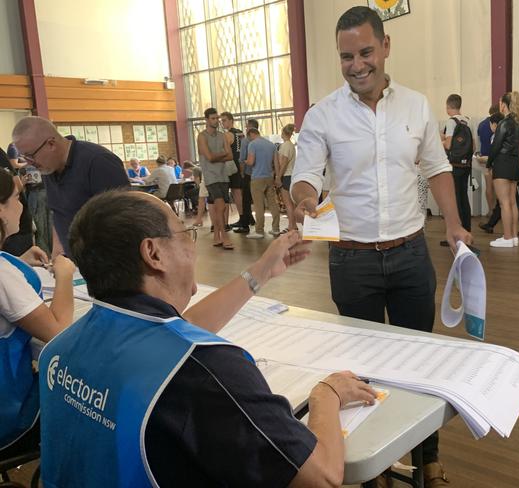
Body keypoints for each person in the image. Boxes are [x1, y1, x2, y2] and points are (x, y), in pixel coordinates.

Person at [38, 188, 376, 487]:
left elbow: (174, 332)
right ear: (153, 254)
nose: (191, 243)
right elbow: (321, 477)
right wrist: (327, 394)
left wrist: (261, 272)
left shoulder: (63, 346)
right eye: (184, 233)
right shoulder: (203, 370)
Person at [290, 7, 471, 486]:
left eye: (366, 52)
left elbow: (436, 168)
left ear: (385, 47)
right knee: (361, 373)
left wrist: (453, 224)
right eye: (346, 56)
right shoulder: (322, 115)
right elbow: (305, 174)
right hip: (352, 260)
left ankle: (427, 459)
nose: (356, 64)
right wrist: (306, 196)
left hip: (411, 254)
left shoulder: (415, 105)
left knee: (419, 363)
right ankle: (375, 469)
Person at [0, 168, 74, 460]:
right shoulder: (4, 276)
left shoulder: (6, 269)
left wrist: (17, 261)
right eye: (16, 197)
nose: (22, 205)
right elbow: (58, 331)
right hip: (10, 416)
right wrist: (65, 274)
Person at [11, 116, 129, 257]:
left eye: (31, 156)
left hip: (106, 261)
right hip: (75, 262)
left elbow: (125, 221)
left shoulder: (98, 162)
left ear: (51, 144)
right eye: (24, 157)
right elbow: (58, 211)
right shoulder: (48, 166)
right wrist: (57, 250)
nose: (30, 163)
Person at [487, 91, 519, 248]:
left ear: (504, 104)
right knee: (512, 202)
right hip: (514, 163)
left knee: (504, 203)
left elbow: (496, 146)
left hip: (502, 163)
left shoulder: (504, 123)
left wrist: (489, 163)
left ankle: (507, 237)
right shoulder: (518, 123)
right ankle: (514, 236)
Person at [197, 108, 234, 249]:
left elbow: (230, 156)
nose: (216, 121)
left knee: (221, 208)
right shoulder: (202, 136)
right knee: (221, 206)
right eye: (213, 118)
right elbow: (209, 157)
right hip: (210, 176)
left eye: (217, 118)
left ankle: (216, 236)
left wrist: (217, 155)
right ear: (206, 120)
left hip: (223, 175)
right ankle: (224, 237)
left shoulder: (222, 136)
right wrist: (221, 154)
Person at [441, 93, 473, 238]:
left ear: (448, 106)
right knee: (463, 197)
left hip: (454, 164)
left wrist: (438, 143)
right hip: (466, 164)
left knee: (454, 199)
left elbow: (448, 144)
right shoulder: (467, 121)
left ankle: (457, 233)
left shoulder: (451, 122)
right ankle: (467, 230)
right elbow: (473, 144)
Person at [244, 127, 281, 239]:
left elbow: (251, 162)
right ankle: (276, 229)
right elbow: (276, 163)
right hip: (269, 177)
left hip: (257, 178)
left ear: (251, 134)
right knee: (272, 203)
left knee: (259, 205)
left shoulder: (253, 144)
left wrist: (244, 161)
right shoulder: (271, 145)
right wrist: (277, 177)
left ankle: (259, 231)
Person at [220, 111, 245, 229]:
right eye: (221, 120)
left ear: (231, 120)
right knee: (240, 194)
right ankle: (244, 217)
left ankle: (241, 218)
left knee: (236, 194)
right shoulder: (240, 133)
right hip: (241, 165)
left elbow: (223, 151)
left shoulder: (227, 135)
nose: (222, 123)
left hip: (232, 167)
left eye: (224, 120)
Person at [233, 119, 258, 234]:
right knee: (259, 200)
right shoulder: (263, 141)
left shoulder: (245, 141)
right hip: (260, 174)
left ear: (251, 128)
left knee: (246, 199)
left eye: (247, 127)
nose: (246, 129)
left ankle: (245, 225)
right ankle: (252, 219)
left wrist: (242, 173)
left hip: (248, 173)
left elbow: (242, 159)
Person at [476, 105, 500, 213]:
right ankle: (499, 211)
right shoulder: (498, 123)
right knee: (499, 187)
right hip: (496, 158)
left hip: (484, 159)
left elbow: (479, 141)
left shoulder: (481, 124)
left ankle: (491, 210)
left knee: (488, 186)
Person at [276, 123, 298, 233]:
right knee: (291, 204)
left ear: (283, 133)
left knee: (288, 203)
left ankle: (291, 226)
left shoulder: (285, 146)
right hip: (292, 175)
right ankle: (293, 225)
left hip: (286, 176)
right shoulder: (291, 145)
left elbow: (283, 163)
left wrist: (278, 177)